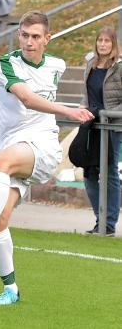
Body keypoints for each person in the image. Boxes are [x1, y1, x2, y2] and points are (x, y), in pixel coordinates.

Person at [0, 11, 95, 306]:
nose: (30, 42)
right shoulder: (6, 64)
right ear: (19, 36)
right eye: (25, 35)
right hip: (13, 143)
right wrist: (68, 111)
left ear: (47, 39)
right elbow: (26, 98)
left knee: (0, 162)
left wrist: (79, 109)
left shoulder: (57, 64)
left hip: (42, 145)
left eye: (36, 36)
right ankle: (10, 289)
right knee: (1, 220)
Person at [79, 26, 122, 236]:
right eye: (100, 41)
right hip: (91, 125)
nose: (103, 44)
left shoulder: (119, 67)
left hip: (111, 126)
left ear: (114, 44)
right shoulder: (91, 64)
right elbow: (86, 94)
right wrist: (83, 108)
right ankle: (100, 219)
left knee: (110, 172)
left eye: (107, 41)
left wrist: (109, 113)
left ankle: (108, 224)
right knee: (89, 173)